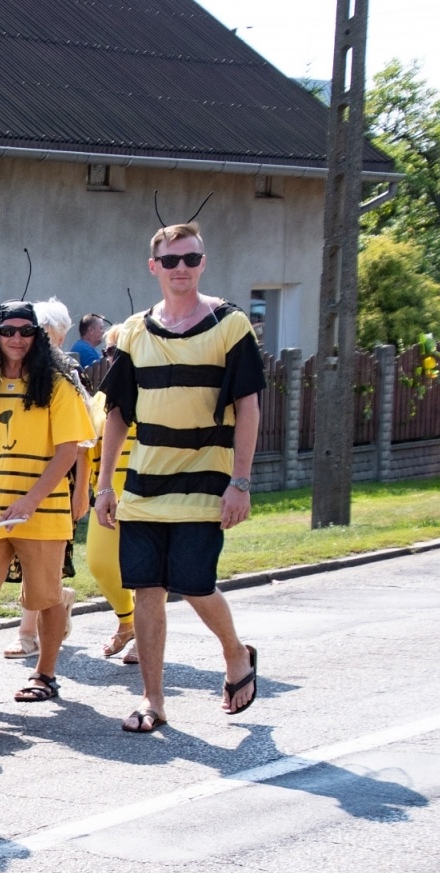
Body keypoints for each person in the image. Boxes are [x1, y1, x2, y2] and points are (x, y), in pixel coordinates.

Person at [94, 220, 263, 733]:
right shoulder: (134, 331)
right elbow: (117, 413)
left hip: (206, 478)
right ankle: (153, 700)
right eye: (170, 260)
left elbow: (249, 407)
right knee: (146, 590)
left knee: (194, 583)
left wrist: (240, 481)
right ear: (154, 267)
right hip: (145, 483)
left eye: (190, 259)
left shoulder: (231, 325)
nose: (181, 268)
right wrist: (105, 486)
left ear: (202, 263)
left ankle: (235, 653)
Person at [0, 301, 92, 703]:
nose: (17, 338)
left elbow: (68, 451)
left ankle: (45, 675)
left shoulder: (58, 386)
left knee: (46, 597)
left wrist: (31, 500)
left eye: (26, 331)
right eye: (8, 331)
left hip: (44, 511)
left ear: (37, 337)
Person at [0, 298, 90, 661]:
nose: (23, 341)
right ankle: (55, 602)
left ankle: (27, 633)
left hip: (57, 481)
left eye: (37, 333)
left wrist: (81, 491)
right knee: (28, 564)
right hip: (16, 476)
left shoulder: (66, 375)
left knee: (40, 563)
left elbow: (84, 441)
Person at [84, 325, 137, 664]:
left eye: (124, 352)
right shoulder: (102, 397)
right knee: (100, 564)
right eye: (112, 352)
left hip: (148, 490)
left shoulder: (156, 389)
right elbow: (92, 447)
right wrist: (93, 488)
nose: (116, 359)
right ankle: (127, 620)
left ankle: (143, 632)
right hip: (107, 492)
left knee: (147, 570)